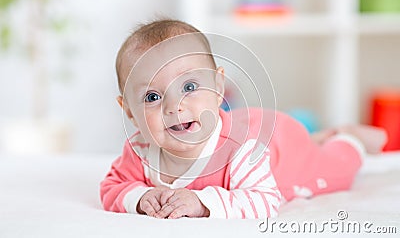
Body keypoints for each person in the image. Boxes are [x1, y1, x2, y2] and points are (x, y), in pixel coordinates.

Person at [100, 19, 387, 219]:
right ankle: (318, 136)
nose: (174, 106)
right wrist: (137, 198)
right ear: (129, 112)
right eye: (152, 97)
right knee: (308, 141)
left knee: (334, 170)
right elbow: (112, 186)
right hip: (254, 130)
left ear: (218, 88)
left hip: (281, 147)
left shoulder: (240, 150)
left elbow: (265, 200)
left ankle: (350, 137)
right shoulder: (140, 150)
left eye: (189, 87)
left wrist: (202, 202)